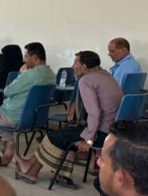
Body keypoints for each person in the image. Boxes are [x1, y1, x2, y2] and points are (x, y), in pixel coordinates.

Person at [14, 51, 123, 186]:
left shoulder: (86, 80)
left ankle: (31, 170)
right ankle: (60, 175)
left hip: (101, 133)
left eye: (75, 63)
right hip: (113, 131)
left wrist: (88, 140)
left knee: (52, 136)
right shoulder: (106, 75)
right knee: (66, 133)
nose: (72, 67)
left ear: (84, 67)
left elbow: (95, 113)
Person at [0, 42, 56, 166]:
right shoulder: (51, 74)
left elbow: (7, 91)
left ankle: (6, 149)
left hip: (12, 116)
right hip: (35, 118)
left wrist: (21, 74)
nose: (23, 60)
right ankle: (9, 145)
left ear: (35, 57)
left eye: (26, 56)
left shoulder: (30, 74)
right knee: (0, 124)